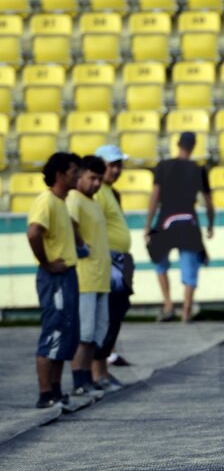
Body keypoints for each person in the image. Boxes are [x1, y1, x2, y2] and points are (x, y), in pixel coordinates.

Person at [26, 153, 83, 410]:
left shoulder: (61, 203)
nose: (78, 176)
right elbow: (34, 232)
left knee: (67, 332)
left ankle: (57, 391)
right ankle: (45, 392)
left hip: (67, 274)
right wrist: (46, 263)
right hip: (54, 277)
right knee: (54, 330)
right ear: (60, 175)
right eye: (73, 172)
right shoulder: (46, 201)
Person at [145, 131, 214, 323]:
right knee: (189, 265)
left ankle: (167, 304)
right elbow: (208, 202)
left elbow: (154, 197)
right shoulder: (198, 170)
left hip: (166, 218)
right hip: (188, 220)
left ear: (177, 144)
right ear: (193, 146)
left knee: (159, 261)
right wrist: (210, 224)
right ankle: (186, 309)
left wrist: (147, 225)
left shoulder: (163, 166)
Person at [66, 155, 112, 402]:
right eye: (92, 178)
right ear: (80, 176)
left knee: (96, 333)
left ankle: (88, 379)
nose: (96, 184)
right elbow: (69, 223)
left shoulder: (93, 202)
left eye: (99, 179)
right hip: (85, 278)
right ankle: (78, 381)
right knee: (84, 334)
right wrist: (80, 245)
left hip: (100, 277)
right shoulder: (75, 199)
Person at [92, 145, 135, 390]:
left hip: (119, 261)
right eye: (112, 165)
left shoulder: (110, 192)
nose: (117, 170)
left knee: (115, 315)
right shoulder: (98, 193)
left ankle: (102, 371)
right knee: (107, 317)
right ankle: (98, 373)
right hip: (110, 262)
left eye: (119, 165)